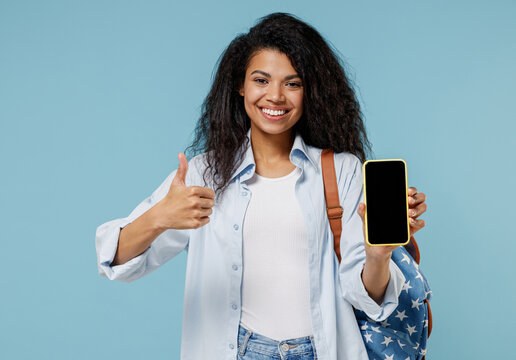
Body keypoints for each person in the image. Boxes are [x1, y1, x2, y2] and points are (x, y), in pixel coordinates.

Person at [95, 12, 428, 360]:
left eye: (293, 83)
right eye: (261, 80)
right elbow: (113, 259)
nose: (276, 96)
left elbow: (369, 298)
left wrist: (379, 254)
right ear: (241, 85)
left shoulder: (340, 171)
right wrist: (159, 217)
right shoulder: (205, 174)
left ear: (309, 91)